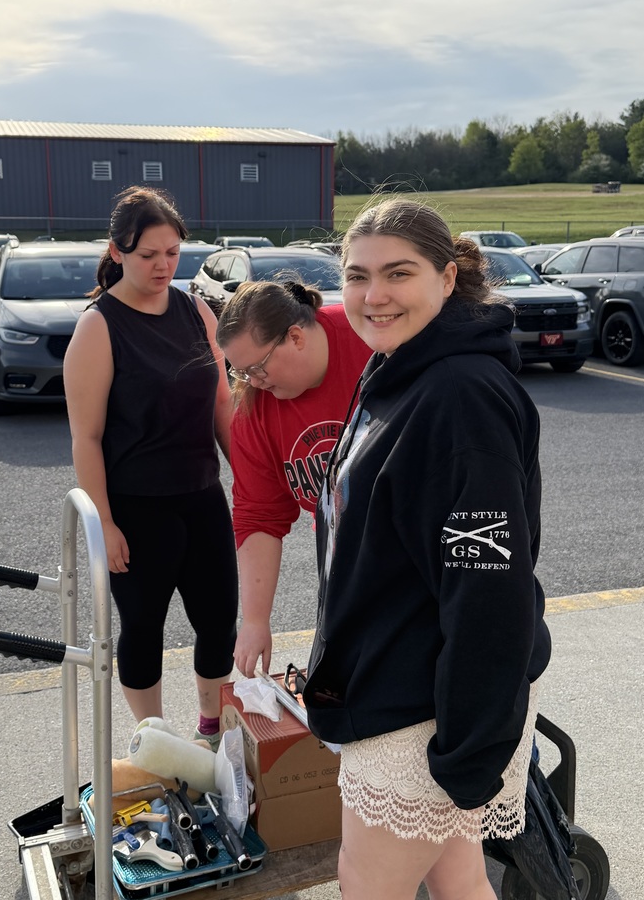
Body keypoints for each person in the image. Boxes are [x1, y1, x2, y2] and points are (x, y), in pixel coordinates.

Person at [302, 197, 552, 900]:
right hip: (395, 682)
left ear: (447, 278)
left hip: (427, 712)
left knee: (367, 886)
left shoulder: (459, 394)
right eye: (356, 275)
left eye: (397, 273)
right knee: (458, 877)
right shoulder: (397, 368)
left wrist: (467, 751)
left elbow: (489, 590)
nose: (373, 295)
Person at [63, 186, 236, 746]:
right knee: (143, 629)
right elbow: (86, 438)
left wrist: (251, 480)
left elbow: (221, 403)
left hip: (203, 497)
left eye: (172, 252)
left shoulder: (196, 310)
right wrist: (105, 523)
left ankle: (210, 730)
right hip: (137, 510)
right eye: (148, 256)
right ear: (116, 252)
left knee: (218, 622)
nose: (163, 266)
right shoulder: (99, 326)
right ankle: (155, 742)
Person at [215, 280, 372, 679]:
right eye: (240, 371)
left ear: (296, 337)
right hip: (347, 564)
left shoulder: (369, 340)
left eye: (257, 368)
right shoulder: (254, 408)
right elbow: (258, 515)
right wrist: (254, 620)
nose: (253, 381)